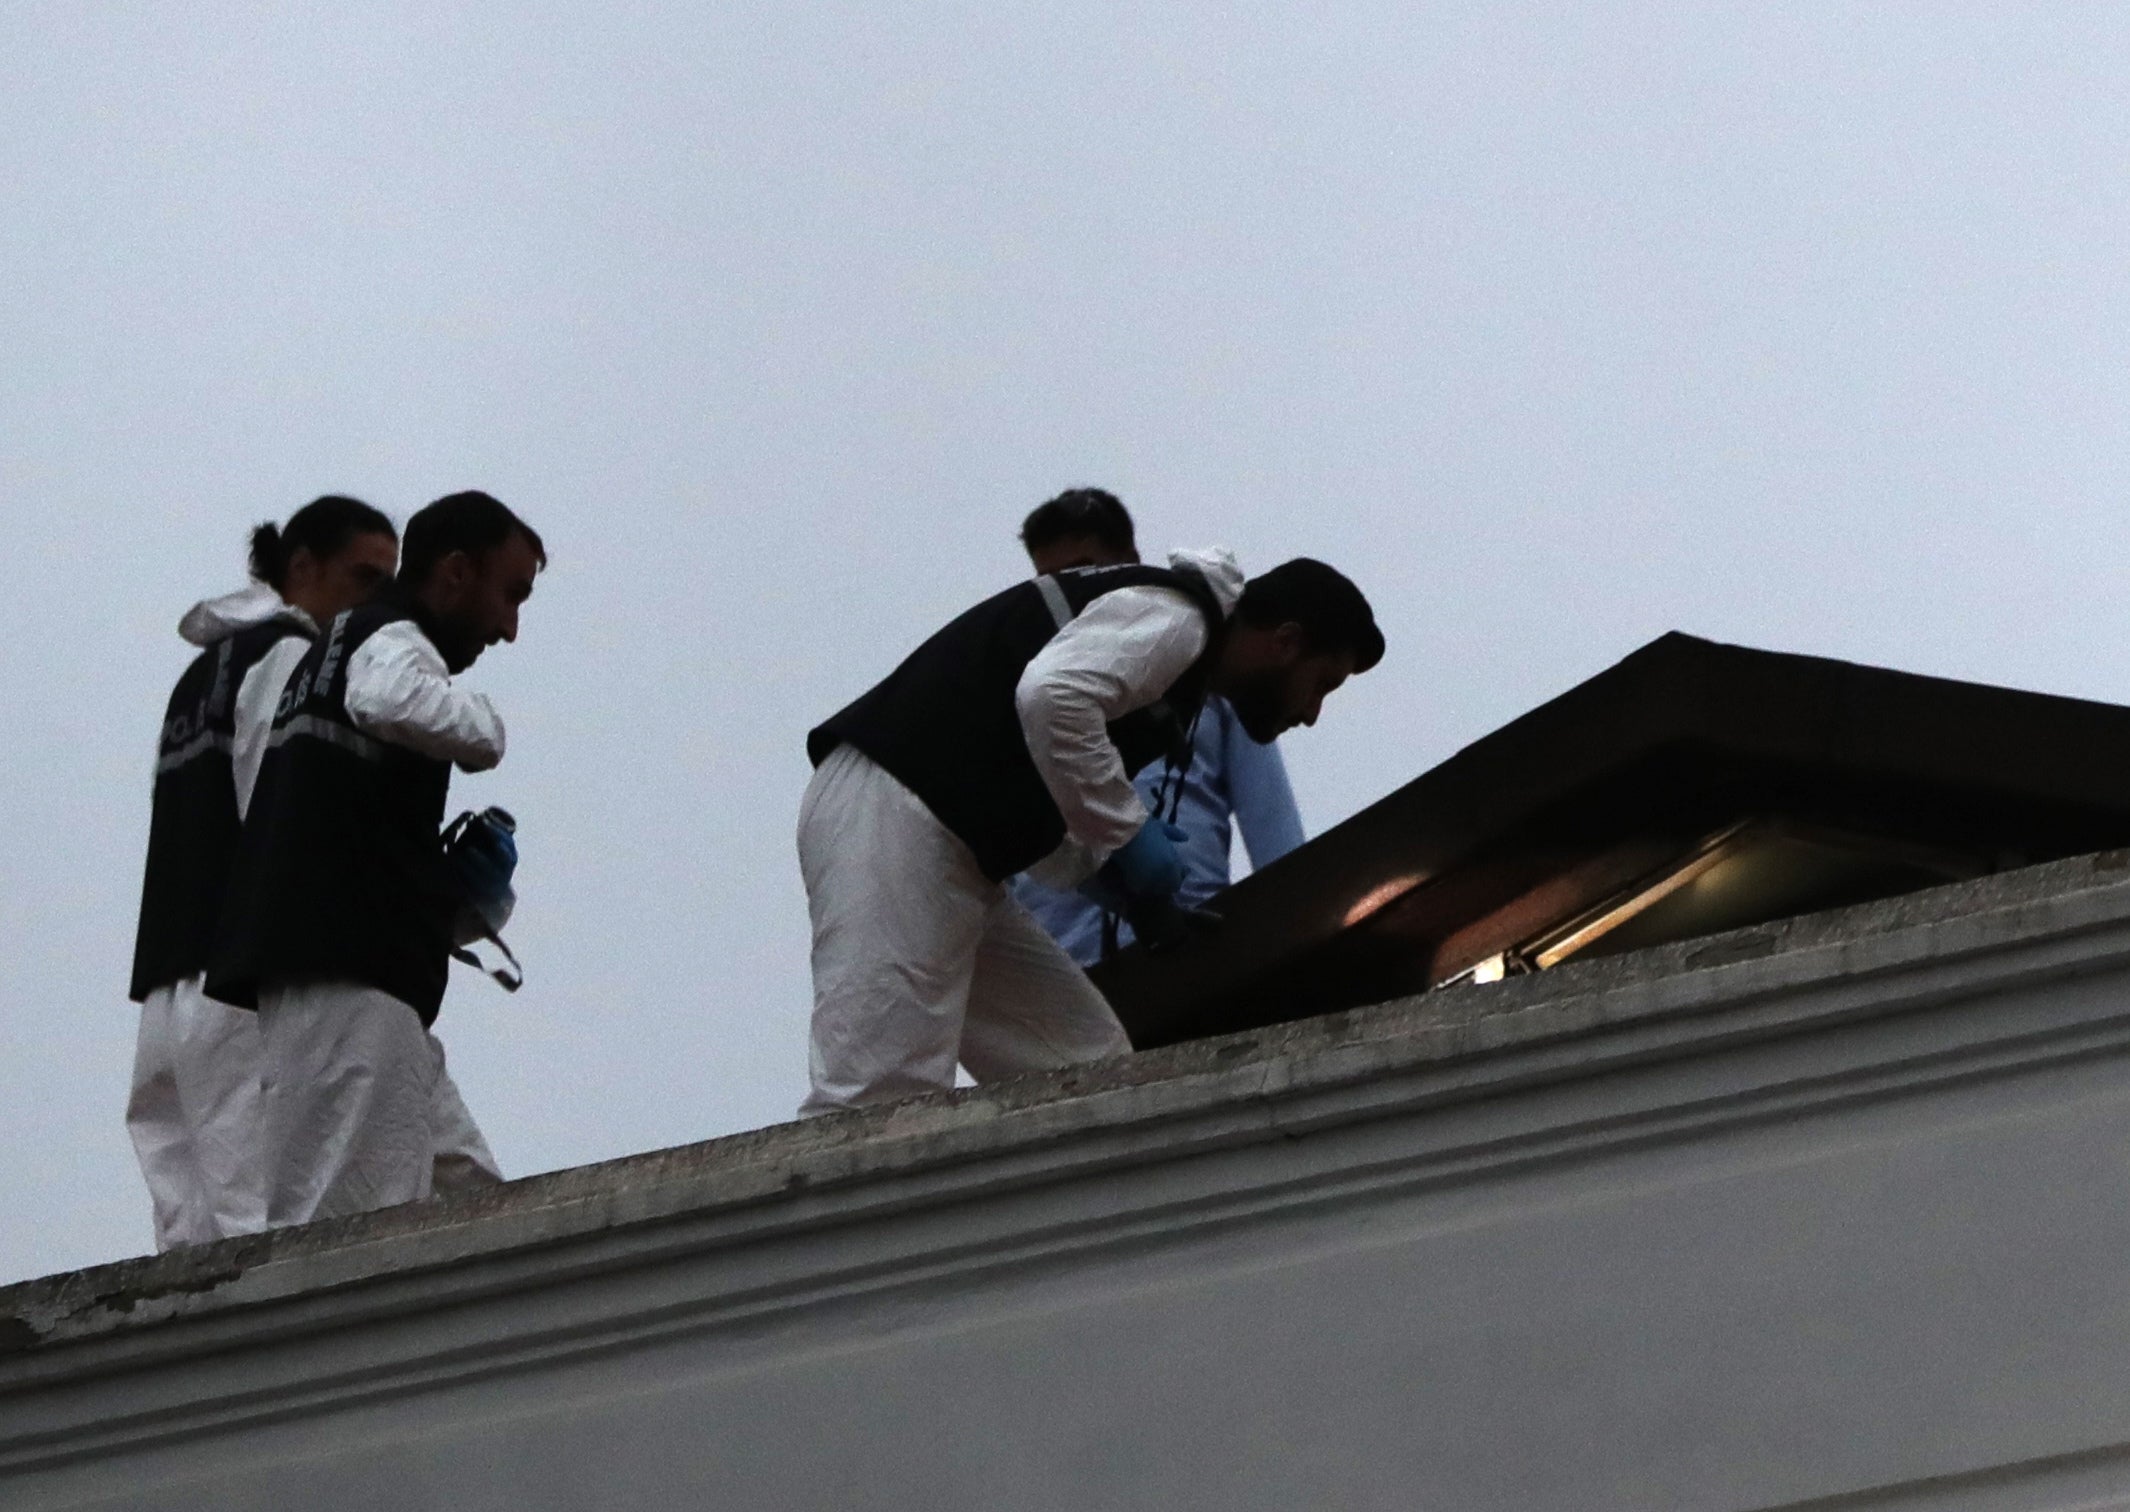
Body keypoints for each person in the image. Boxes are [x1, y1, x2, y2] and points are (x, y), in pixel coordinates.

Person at [799, 540, 1383, 1114]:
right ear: (1286, 642)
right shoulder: (1181, 619)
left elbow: (1045, 770)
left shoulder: (1175, 661)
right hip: (895, 812)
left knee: (1086, 1068)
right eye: (1321, 685)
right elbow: (1054, 697)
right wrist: (1127, 835)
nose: (1310, 713)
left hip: (950, 843)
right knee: (876, 1095)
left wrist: (1103, 869)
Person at [209, 491, 544, 1226]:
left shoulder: (339, 643)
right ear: (456, 572)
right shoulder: (392, 639)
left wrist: (425, 885)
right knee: (347, 1230)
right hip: (348, 976)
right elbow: (388, 698)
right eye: (510, 594)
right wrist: (488, 726)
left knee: (478, 1207)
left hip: (352, 975)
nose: (511, 627)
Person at [127, 496, 401, 1251]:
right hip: (239, 985)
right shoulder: (289, 660)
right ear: (303, 566)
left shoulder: (199, 673)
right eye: (364, 577)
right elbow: (278, 813)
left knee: (192, 1245)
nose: (378, 600)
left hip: (165, 991)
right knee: (266, 1233)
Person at [1012, 489, 1308, 964]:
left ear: (1129, 563)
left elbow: (1276, 838)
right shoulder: (1026, 698)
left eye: (1083, 568)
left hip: (1192, 951)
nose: (1067, 589)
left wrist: (1303, 944)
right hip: (1063, 969)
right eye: (1049, 580)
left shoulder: (1211, 684)